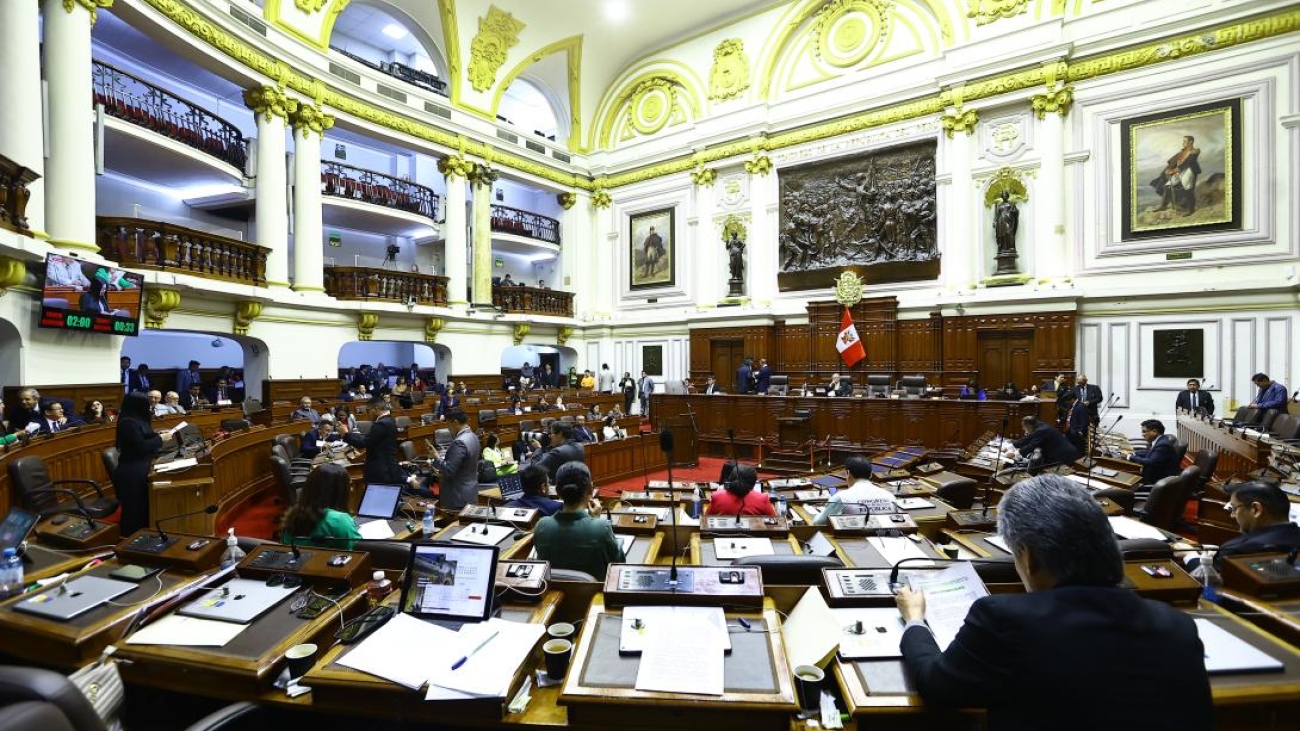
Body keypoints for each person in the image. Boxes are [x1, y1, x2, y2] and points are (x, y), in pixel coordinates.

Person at [895, 475, 1212, 730]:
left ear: (1029, 558)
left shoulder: (1003, 618)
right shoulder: (1178, 626)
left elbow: (938, 687)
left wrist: (914, 620)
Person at [1175, 481, 1300, 571]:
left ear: (1256, 509)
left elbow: (1209, 581)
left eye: (1234, 509)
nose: (1232, 516)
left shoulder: (1239, 549)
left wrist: (1189, 555)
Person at [533, 462, 625, 579]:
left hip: (552, 595)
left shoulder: (541, 526)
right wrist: (594, 520)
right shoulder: (601, 527)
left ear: (557, 491)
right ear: (590, 490)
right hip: (595, 596)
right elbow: (620, 565)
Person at [114, 392, 170, 535]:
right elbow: (139, 446)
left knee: (144, 505)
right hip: (132, 470)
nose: (150, 407)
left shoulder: (138, 418)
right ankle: (131, 536)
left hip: (143, 463)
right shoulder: (127, 422)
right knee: (135, 508)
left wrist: (158, 435)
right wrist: (161, 439)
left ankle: (146, 531)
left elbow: (145, 436)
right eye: (147, 404)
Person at [280, 463, 360, 550]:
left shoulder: (293, 515)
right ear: (340, 491)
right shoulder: (339, 520)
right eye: (349, 486)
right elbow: (357, 548)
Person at [814, 456, 895, 524]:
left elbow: (818, 522)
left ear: (848, 473)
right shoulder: (890, 497)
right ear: (871, 475)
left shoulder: (841, 497)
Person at [342, 401, 405, 486]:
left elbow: (363, 443)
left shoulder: (381, 424)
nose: (368, 414)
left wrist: (346, 435)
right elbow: (369, 437)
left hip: (380, 469)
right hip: (387, 466)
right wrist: (349, 434)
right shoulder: (390, 420)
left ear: (376, 409)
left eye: (368, 410)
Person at [428, 409, 481, 510]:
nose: (448, 428)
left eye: (448, 425)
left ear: (455, 422)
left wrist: (436, 456)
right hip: (471, 491)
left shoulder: (459, 442)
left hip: (458, 496)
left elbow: (449, 470)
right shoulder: (474, 436)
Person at [1150, 135, 1202, 216]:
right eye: (1183, 141)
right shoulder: (1182, 152)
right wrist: (1169, 169)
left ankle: (1191, 209)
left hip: (1189, 171)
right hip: (1178, 171)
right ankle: (1163, 205)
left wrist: (1177, 169)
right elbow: (1174, 161)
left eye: (1185, 141)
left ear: (1191, 142)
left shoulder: (1195, 151)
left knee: (1188, 188)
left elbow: (1189, 161)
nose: (1183, 143)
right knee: (1168, 185)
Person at [1011, 415, 1079, 469]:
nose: (1023, 429)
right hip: (1066, 453)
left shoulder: (1041, 430)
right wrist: (1013, 444)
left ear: (1029, 426)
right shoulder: (1040, 426)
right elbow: (1028, 438)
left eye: (1024, 427)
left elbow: (1031, 446)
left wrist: (1017, 453)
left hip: (1064, 456)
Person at [1126, 419, 1181, 485]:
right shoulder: (1160, 440)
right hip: (1153, 476)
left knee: (1125, 482)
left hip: (1156, 482)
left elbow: (1150, 462)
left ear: (1154, 431)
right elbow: (1150, 452)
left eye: (1144, 431)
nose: (1142, 434)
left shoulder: (1163, 445)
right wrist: (1135, 453)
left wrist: (1130, 457)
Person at [706, 464, 775, 516]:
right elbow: (775, 522)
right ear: (753, 482)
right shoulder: (762, 499)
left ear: (731, 479)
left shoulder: (717, 497)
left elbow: (706, 521)